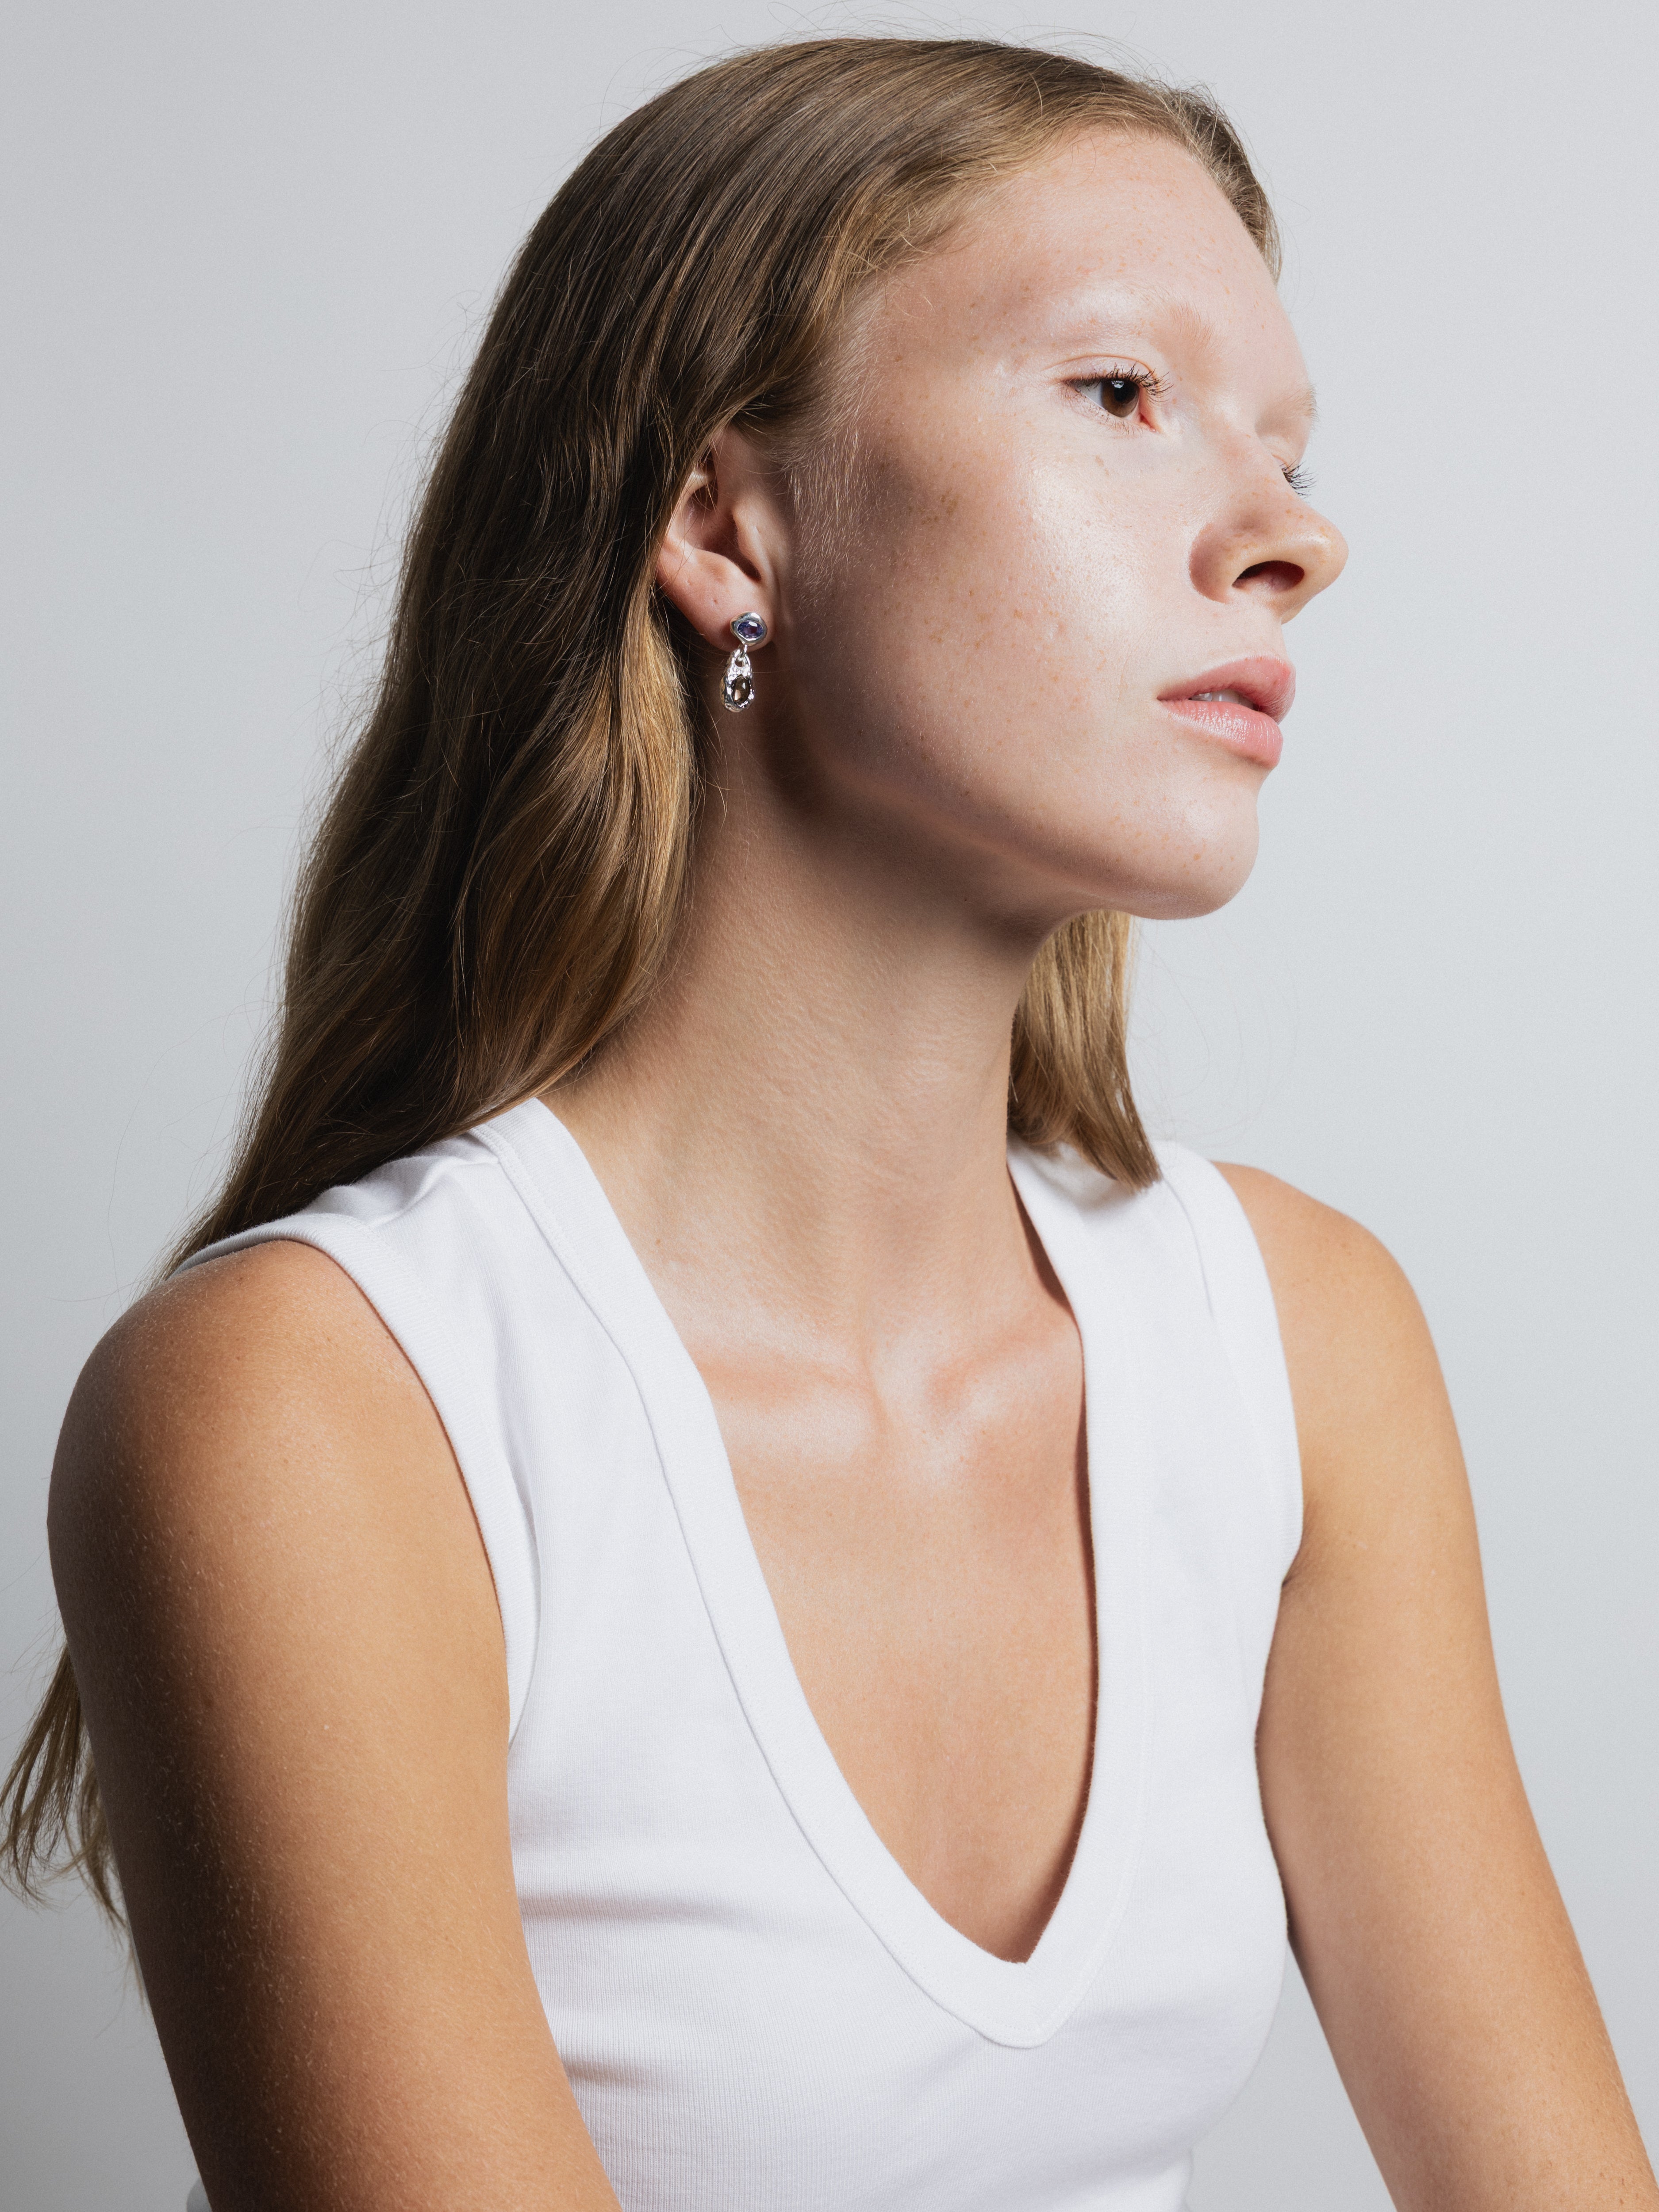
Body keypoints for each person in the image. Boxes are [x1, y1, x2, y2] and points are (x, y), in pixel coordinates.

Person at [4, 35, 1652, 2212]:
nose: (1291, 535)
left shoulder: (1296, 1347)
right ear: (723, 519)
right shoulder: (321, 1408)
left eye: (1286, 446)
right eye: (1120, 396)